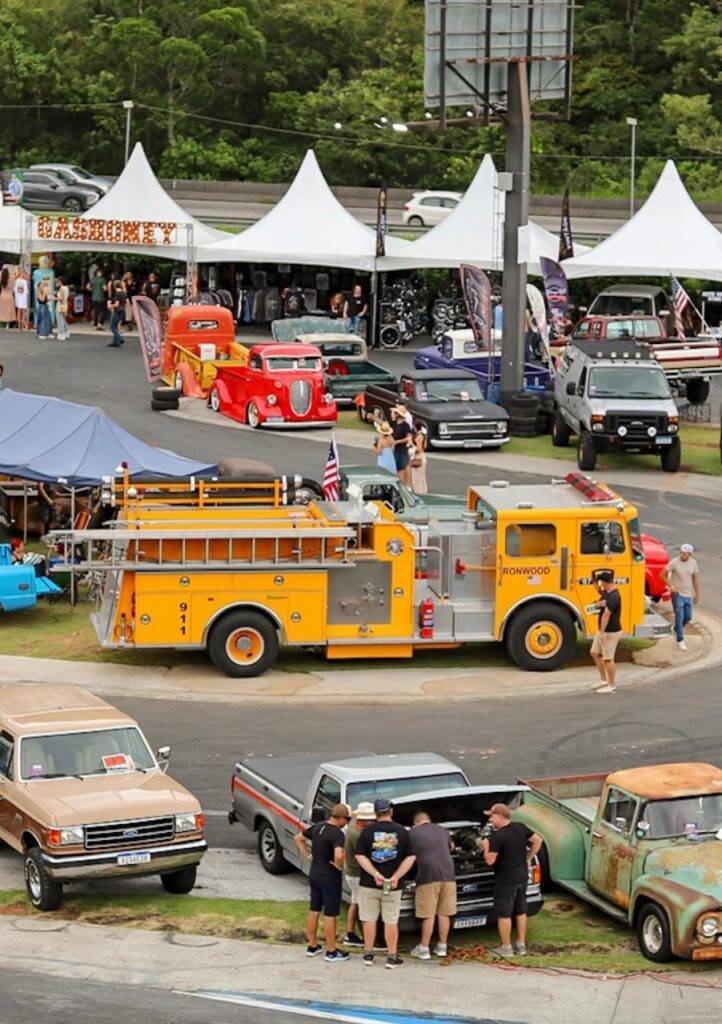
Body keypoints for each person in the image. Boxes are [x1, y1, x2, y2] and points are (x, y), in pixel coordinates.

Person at [355, 797, 415, 970]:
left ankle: (368, 954)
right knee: (390, 920)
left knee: (368, 919)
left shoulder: (366, 832)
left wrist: (375, 873)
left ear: (375, 813)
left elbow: (360, 856)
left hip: (369, 883)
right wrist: (396, 876)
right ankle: (391, 956)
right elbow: (411, 856)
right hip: (393, 885)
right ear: (391, 812)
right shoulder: (402, 832)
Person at [480, 803, 541, 958]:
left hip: (506, 879)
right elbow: (538, 840)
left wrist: (486, 846)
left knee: (504, 913)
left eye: (492, 817)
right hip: (522, 875)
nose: (490, 820)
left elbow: (489, 861)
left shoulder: (497, 836)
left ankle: (506, 948)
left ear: (500, 817)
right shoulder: (520, 827)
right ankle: (521, 945)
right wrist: (528, 858)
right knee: (520, 910)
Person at [293, 803, 351, 964]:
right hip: (330, 877)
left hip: (315, 873)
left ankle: (312, 945)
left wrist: (308, 856)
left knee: (314, 909)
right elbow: (339, 854)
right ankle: (331, 951)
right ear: (340, 818)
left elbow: (298, 838)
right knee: (330, 914)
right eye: (346, 819)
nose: (347, 822)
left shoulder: (318, 827)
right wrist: (339, 865)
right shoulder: (338, 834)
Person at [408, 810, 456, 960]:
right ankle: (442, 946)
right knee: (444, 913)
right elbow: (452, 847)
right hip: (449, 874)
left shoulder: (413, 833)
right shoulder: (442, 830)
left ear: (415, 823)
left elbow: (409, 854)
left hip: (428, 875)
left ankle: (424, 948)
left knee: (428, 914)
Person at [343, 802, 376, 948]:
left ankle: (350, 933)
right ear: (363, 821)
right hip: (357, 874)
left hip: (351, 872)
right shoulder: (358, 835)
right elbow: (365, 856)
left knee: (355, 902)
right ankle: (367, 937)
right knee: (365, 908)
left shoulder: (352, 823)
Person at [661, 543, 700, 652]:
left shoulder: (693, 563)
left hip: (688, 595)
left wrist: (697, 594)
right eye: (681, 553)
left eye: (684, 554)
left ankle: (677, 629)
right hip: (677, 594)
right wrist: (671, 586)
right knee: (679, 616)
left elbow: (695, 579)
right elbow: (662, 574)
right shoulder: (674, 562)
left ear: (690, 554)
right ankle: (680, 640)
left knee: (688, 616)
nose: (682, 555)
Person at [590, 570, 623, 694]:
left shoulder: (614, 596)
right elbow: (598, 593)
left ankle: (612, 684)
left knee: (608, 659)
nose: (601, 585)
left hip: (611, 631)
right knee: (595, 653)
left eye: (601, 582)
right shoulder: (606, 593)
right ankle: (603, 680)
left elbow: (606, 615)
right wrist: (599, 603)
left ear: (605, 582)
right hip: (603, 630)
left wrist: (602, 633)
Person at [390, 405, 412, 487]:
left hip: (402, 449)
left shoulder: (405, 425)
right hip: (396, 449)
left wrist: (398, 441)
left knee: (401, 470)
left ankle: (404, 488)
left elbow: (408, 438)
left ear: (398, 414)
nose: (394, 414)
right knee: (399, 469)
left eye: (395, 412)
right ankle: (404, 487)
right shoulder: (394, 424)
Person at [107, 279, 127, 348]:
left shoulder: (117, 293)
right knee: (115, 326)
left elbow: (117, 304)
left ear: (114, 286)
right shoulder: (123, 293)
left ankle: (120, 338)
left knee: (112, 326)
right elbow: (125, 303)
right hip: (122, 310)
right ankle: (115, 342)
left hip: (117, 311)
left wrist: (110, 306)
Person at [409, 422, 428, 495]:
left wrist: (411, 445)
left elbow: (419, 449)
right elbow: (425, 446)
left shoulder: (418, 436)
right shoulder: (423, 435)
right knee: (422, 477)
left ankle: (420, 493)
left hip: (418, 457)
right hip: (423, 456)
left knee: (417, 478)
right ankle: (423, 492)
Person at [55, 276, 70, 340]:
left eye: (57, 281)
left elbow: (61, 299)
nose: (56, 283)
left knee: (60, 319)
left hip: (60, 305)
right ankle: (66, 333)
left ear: (60, 281)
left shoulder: (61, 288)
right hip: (65, 304)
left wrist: (54, 298)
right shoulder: (66, 288)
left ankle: (61, 334)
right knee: (63, 319)